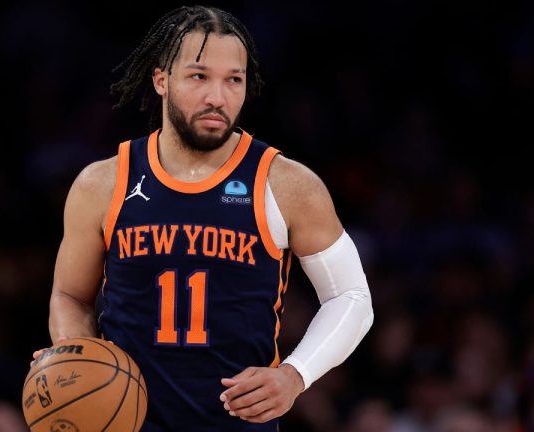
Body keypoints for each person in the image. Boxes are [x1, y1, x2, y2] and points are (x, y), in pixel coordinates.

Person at [34, 5, 374, 431]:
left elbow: (352, 298)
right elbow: (70, 296)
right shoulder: (102, 183)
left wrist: (295, 374)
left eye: (234, 79)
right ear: (161, 80)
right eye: (199, 76)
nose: (218, 96)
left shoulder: (288, 185)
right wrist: (74, 355)